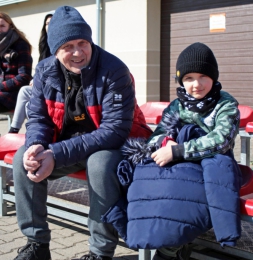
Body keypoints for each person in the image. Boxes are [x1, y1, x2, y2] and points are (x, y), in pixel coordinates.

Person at [12, 5, 152, 260]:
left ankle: (100, 252)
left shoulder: (114, 71)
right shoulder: (44, 70)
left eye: (82, 43)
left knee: (98, 164)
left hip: (118, 145)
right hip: (72, 145)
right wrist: (36, 145)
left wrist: (55, 152)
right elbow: (38, 120)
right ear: (55, 50)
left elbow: (113, 132)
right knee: (24, 158)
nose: (78, 52)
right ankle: (37, 244)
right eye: (68, 47)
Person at [147, 42, 241, 260]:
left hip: (213, 162)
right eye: (188, 78)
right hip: (182, 164)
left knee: (190, 195)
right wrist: (166, 142)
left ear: (214, 78)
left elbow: (222, 140)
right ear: (181, 80)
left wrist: (178, 151)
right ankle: (172, 244)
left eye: (203, 76)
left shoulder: (225, 103)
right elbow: (158, 134)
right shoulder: (177, 105)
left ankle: (170, 250)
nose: (196, 84)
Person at [9, 11, 54, 134]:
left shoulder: (62, 45)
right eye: (47, 23)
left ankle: (22, 131)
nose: (49, 26)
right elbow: (41, 69)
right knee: (26, 96)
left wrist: (39, 80)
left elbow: (56, 71)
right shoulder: (45, 46)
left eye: (52, 23)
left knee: (27, 97)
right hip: (44, 87)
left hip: (58, 88)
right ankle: (16, 131)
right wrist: (35, 79)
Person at [0, 12, 32, 113]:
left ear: (10, 26)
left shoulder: (20, 45)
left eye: (2, 26)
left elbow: (24, 76)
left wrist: (1, 86)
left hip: (14, 93)